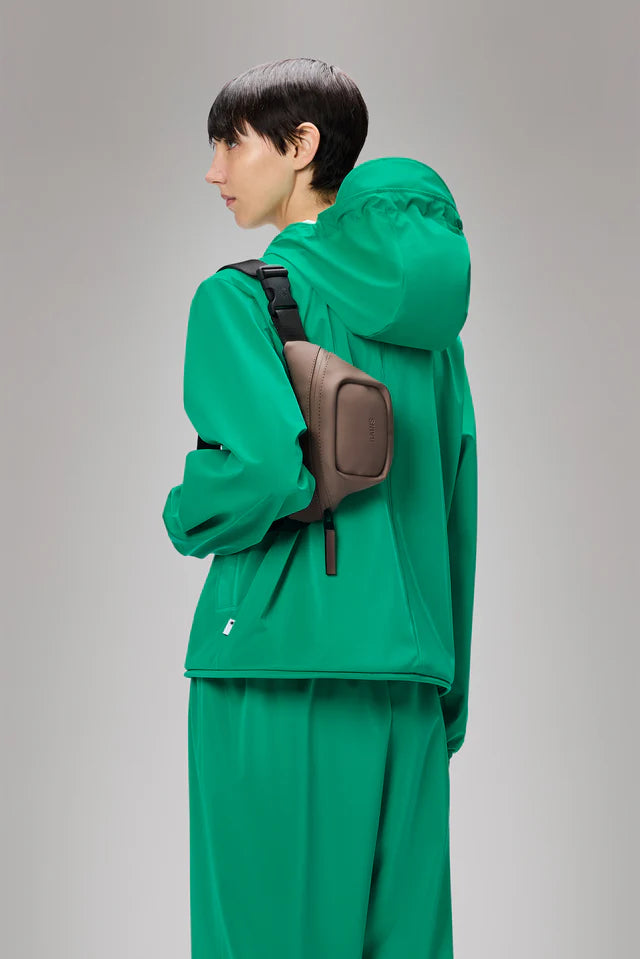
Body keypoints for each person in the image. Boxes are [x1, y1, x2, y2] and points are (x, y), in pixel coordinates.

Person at [162, 57, 478, 959]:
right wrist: (446, 696)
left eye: (231, 145)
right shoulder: (434, 339)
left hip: (276, 674)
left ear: (300, 146)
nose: (215, 172)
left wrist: (186, 512)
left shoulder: (239, 296)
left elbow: (265, 471)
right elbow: (456, 507)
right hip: (410, 687)